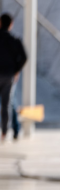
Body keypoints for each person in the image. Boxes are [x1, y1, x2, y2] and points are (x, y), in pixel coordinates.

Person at [0, 13, 27, 143]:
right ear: (11, 24)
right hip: (9, 75)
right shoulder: (14, 40)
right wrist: (16, 70)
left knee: (8, 103)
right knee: (7, 104)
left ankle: (9, 131)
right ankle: (5, 132)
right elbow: (24, 57)